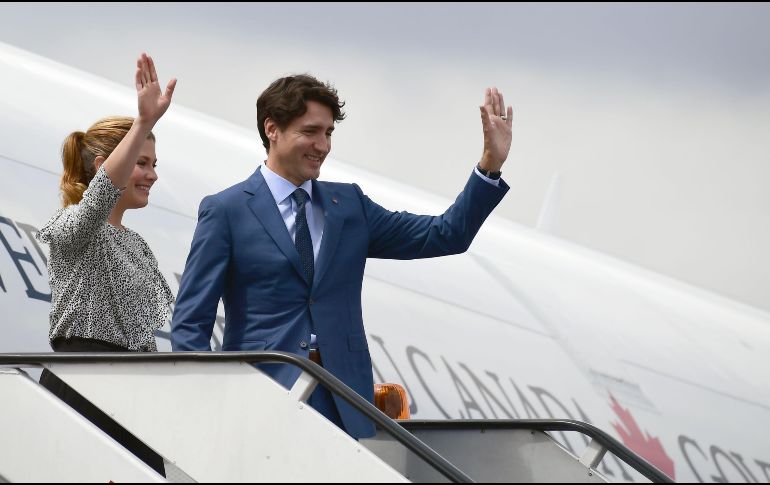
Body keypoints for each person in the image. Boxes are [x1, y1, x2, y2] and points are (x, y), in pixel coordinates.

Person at [170, 74, 512, 439]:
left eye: (329, 133)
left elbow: (447, 234)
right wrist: (209, 407)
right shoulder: (227, 210)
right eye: (311, 131)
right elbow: (191, 323)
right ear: (272, 129)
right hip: (260, 401)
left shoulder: (349, 206)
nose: (323, 145)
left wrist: (489, 164)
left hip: (345, 404)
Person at [35, 53, 176, 475]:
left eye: (153, 165)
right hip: (85, 380)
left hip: (134, 388)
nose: (151, 175)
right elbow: (97, 199)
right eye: (141, 163)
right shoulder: (74, 227)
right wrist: (142, 124)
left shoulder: (137, 244)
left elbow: (142, 331)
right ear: (103, 167)